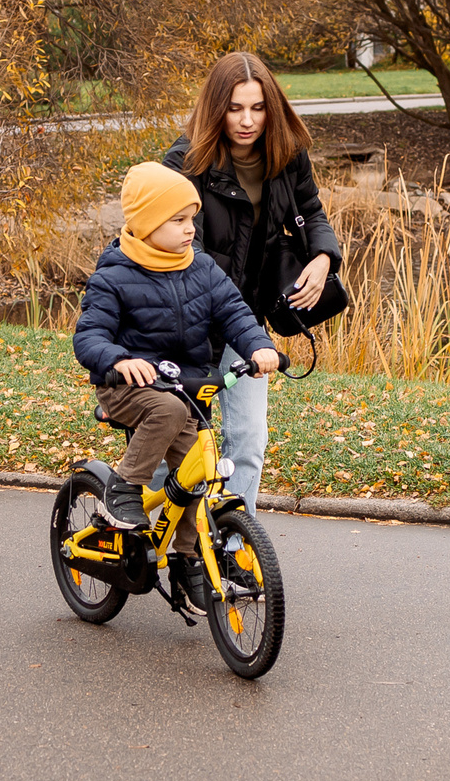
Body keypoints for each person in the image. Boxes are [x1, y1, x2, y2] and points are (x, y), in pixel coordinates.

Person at [72, 163, 282, 594]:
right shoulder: (114, 275)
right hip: (126, 387)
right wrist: (119, 360)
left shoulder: (201, 267)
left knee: (197, 476)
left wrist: (258, 346)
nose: (191, 229)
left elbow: (235, 313)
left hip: (182, 388)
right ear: (147, 224)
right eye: (178, 220)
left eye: (192, 218)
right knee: (167, 410)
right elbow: (89, 336)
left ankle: (188, 559)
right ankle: (123, 487)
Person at [160, 53, 342, 512]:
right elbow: (187, 254)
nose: (247, 121)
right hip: (190, 321)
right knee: (175, 447)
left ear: (271, 108)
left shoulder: (287, 155)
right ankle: (135, 527)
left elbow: (311, 210)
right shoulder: (186, 162)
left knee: (248, 440)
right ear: (216, 108)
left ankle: (235, 542)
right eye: (235, 108)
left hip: (247, 319)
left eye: (258, 108)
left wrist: (323, 257)